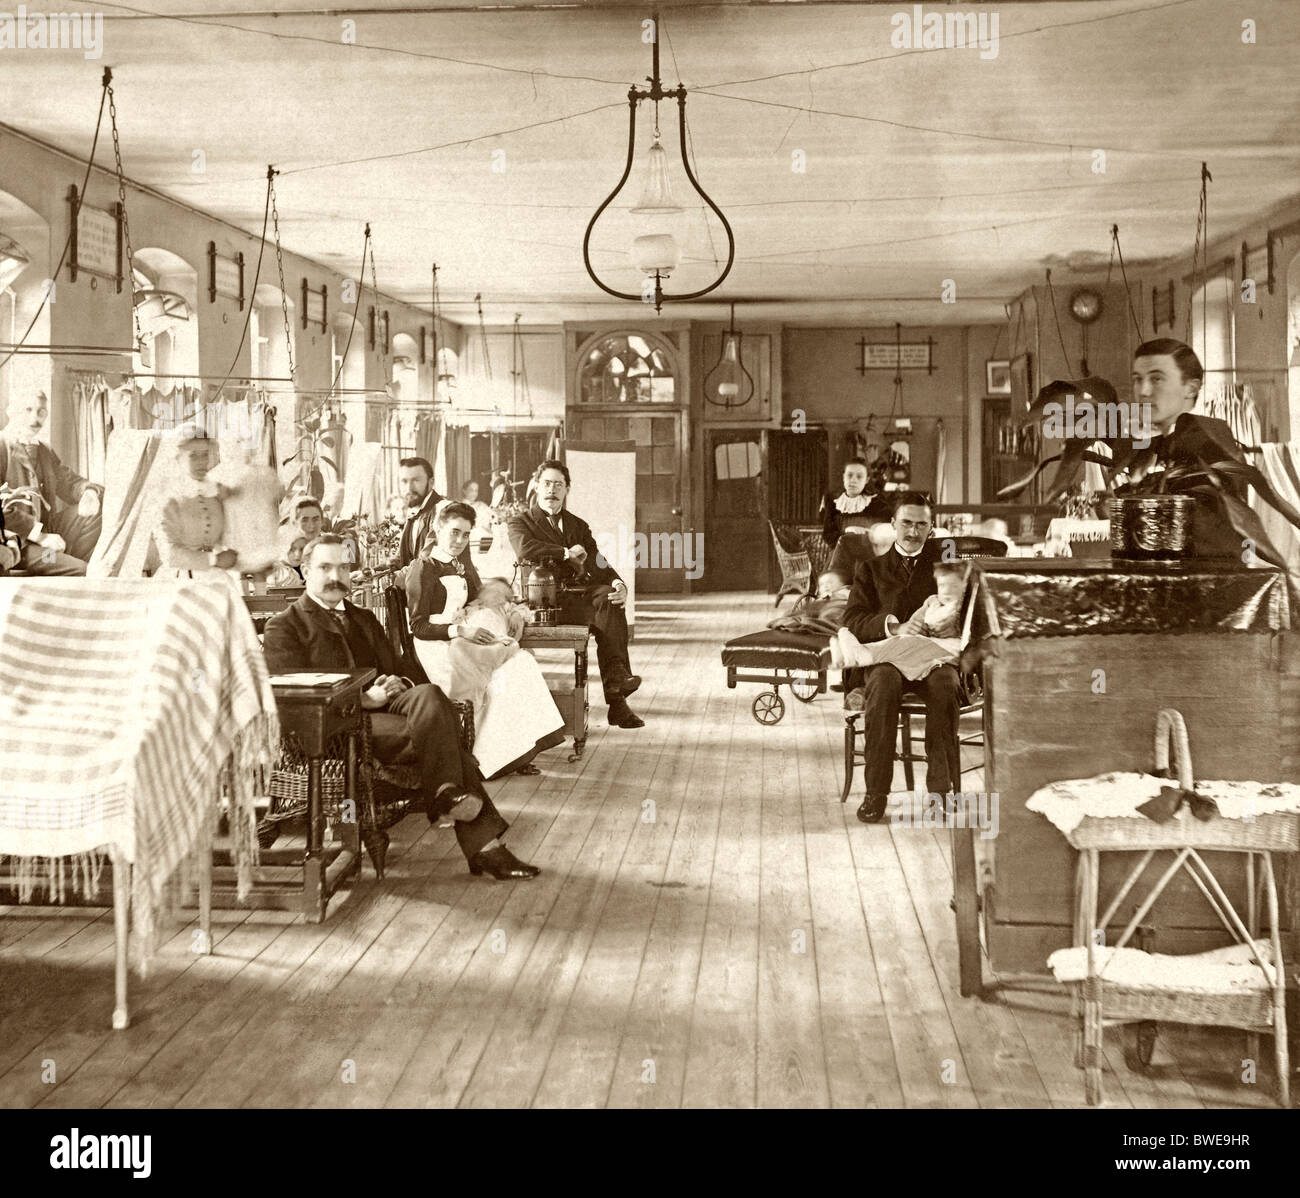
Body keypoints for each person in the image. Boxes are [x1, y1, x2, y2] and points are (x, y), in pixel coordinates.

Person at [263, 534, 540, 880]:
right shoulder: (285, 626)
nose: (337, 576)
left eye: (344, 567)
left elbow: (404, 670)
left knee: (430, 696)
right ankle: (480, 841)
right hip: (336, 730)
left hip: (390, 713)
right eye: (325, 567)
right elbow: (293, 698)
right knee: (443, 736)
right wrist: (363, 700)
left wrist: (400, 684)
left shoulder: (363, 618)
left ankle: (447, 795)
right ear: (305, 571)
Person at [407, 503, 565, 778]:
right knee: (503, 676)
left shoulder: (460, 564)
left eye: (466, 535)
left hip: (462, 639)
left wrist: (510, 609)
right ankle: (487, 758)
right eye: (454, 532)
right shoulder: (424, 568)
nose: (459, 541)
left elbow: (479, 597)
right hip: (437, 646)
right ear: (437, 528)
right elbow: (418, 626)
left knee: (521, 664)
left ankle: (517, 751)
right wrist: (459, 631)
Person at [841, 491, 962, 825]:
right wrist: (893, 625)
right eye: (906, 523)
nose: (913, 532)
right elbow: (852, 621)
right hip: (888, 658)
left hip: (934, 659)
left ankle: (939, 791)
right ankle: (876, 794)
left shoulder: (946, 568)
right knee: (881, 682)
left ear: (931, 527)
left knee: (946, 684)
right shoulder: (870, 568)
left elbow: (969, 614)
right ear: (892, 524)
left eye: (921, 525)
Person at [508, 460, 645, 729]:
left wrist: (619, 583)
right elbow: (525, 549)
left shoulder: (577, 525)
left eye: (559, 484)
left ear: (567, 489)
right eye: (547, 483)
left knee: (610, 598)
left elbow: (596, 560)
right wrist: (565, 553)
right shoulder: (520, 522)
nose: (552, 489)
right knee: (606, 607)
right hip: (541, 604)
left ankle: (617, 685)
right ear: (536, 486)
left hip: (575, 598)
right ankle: (617, 700)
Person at [1118, 339, 1246, 559]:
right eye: (1137, 380)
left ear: (1191, 388)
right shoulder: (1159, 445)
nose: (1143, 391)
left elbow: (1210, 535)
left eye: (1156, 379)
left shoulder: (1208, 442)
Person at [0, 391, 103, 574]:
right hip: (19, 544)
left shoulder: (43, 450)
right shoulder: (2, 447)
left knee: (97, 511)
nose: (34, 419)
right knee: (81, 569)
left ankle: (68, 561)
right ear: (12, 412)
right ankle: (72, 565)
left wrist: (89, 492)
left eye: (41, 412)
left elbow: (69, 482)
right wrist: (40, 535)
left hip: (48, 532)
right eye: (28, 410)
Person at [157, 427, 240, 576]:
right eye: (193, 456)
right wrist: (213, 560)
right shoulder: (170, 499)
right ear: (178, 458)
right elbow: (169, 554)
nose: (201, 462)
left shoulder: (215, 493)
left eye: (205, 455)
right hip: (180, 578)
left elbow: (227, 538)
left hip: (214, 576)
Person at [820, 457, 891, 548]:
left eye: (859, 477)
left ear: (867, 480)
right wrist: (846, 532)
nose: (853, 480)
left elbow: (888, 532)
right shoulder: (833, 502)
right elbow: (828, 536)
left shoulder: (878, 502)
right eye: (849, 475)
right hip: (840, 553)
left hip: (870, 554)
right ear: (843, 477)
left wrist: (867, 532)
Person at [396, 456, 445, 567]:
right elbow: (403, 558)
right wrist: (370, 572)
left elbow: (426, 561)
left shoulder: (442, 510)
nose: (409, 488)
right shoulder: (415, 510)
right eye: (404, 481)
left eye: (416, 480)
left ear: (431, 482)